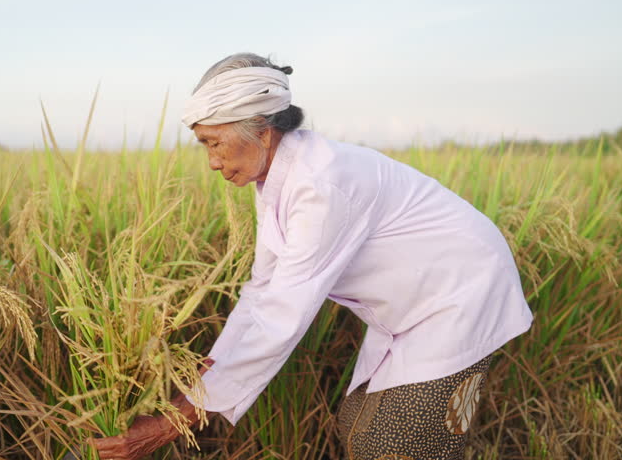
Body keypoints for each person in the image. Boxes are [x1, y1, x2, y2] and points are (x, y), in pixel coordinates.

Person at [90, 53, 534, 460]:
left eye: (213, 143)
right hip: (418, 300)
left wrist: (172, 422)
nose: (211, 161)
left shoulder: (320, 183)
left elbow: (282, 317)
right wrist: (202, 383)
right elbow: (262, 290)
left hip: (462, 292)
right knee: (357, 423)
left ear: (262, 131)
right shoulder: (278, 178)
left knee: (393, 441)